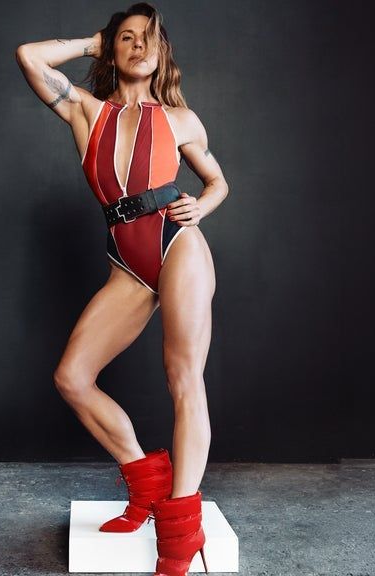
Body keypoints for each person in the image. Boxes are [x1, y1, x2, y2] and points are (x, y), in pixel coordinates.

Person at [16, 3, 228, 574]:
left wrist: (202, 207)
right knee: (72, 378)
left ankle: (181, 535)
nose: (138, 46)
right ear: (113, 48)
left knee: (183, 378)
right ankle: (148, 482)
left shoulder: (181, 119)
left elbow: (217, 181)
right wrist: (95, 40)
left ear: (161, 51)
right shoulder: (87, 112)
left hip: (177, 245)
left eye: (148, 37)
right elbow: (29, 57)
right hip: (127, 263)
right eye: (127, 38)